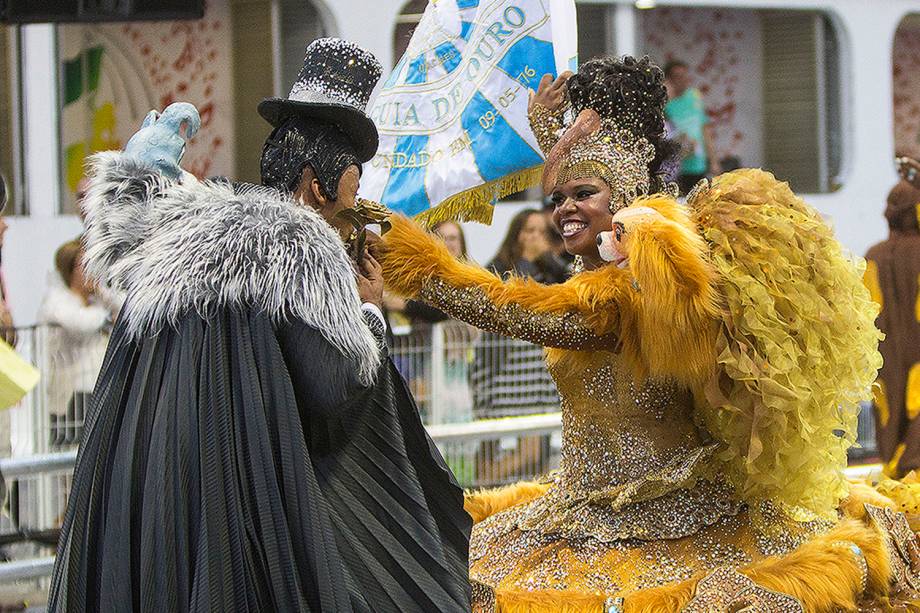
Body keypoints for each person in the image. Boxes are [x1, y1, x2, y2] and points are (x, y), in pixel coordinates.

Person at [380, 55, 920, 610]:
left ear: (623, 200)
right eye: (557, 198)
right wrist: (553, 140)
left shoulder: (642, 287)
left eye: (582, 194)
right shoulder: (588, 274)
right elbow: (566, 266)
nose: (565, 208)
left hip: (673, 519)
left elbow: (524, 313)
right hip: (581, 511)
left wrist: (413, 260)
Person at [49, 38, 470, 613]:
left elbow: (128, 234)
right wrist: (369, 313)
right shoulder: (297, 247)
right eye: (352, 182)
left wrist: (142, 174)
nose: (355, 200)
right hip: (238, 513)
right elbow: (331, 391)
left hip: (152, 501)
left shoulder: (190, 235)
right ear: (316, 183)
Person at [865, 179, 920, 478]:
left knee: (889, 413)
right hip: (917, 354)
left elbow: (865, 310)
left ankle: (892, 472)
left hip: (883, 356)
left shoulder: (873, 254)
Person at [38, 239, 110, 448]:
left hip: (97, 387)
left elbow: (122, 310)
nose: (93, 271)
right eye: (86, 265)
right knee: (71, 454)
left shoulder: (97, 301)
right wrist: (106, 315)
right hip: (71, 394)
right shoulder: (57, 301)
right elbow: (80, 322)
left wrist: (103, 293)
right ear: (72, 269)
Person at [664, 60, 720, 194]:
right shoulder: (665, 102)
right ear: (669, 79)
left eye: (685, 75)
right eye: (678, 76)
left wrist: (713, 161)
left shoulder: (694, 96)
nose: (682, 80)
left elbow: (704, 130)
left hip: (697, 163)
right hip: (674, 167)